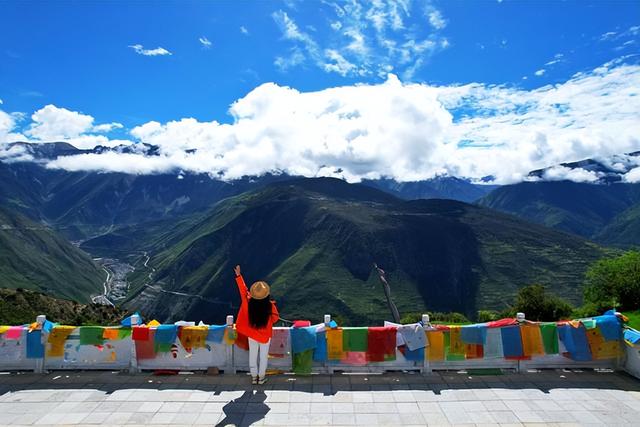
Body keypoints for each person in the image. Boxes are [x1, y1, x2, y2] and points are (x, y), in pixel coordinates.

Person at [233, 264, 280, 385]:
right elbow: (275, 319)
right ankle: (261, 378)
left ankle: (254, 378)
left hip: (252, 334)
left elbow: (243, 291)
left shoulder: (248, 303)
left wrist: (238, 276)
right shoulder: (270, 306)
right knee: (263, 357)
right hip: (265, 336)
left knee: (252, 357)